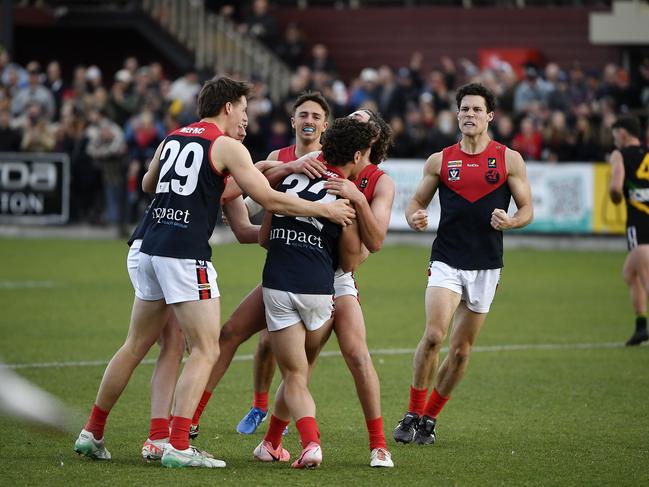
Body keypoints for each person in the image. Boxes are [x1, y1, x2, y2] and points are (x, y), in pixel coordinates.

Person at [73, 76, 355, 469]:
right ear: (227, 107)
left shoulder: (173, 137)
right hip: (185, 255)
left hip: (149, 247)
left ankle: (93, 432)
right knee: (207, 349)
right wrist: (326, 210)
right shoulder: (226, 145)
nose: (246, 117)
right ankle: (177, 444)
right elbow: (270, 198)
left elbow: (150, 183)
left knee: (137, 344)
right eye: (243, 109)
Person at [190, 106, 396, 468]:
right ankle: (203, 424)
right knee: (236, 335)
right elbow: (252, 206)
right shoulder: (305, 159)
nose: (347, 123)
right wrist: (284, 190)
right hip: (301, 269)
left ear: (372, 138)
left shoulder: (378, 180)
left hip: (333, 277)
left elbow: (363, 251)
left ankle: (377, 445)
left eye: (359, 122)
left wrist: (355, 200)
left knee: (355, 357)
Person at [393, 83, 533, 445]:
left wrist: (512, 221)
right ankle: (412, 411)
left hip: (487, 265)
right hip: (447, 260)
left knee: (460, 351)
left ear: (490, 116)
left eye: (476, 109)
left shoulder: (508, 159)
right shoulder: (440, 160)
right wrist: (415, 217)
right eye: (464, 109)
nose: (469, 115)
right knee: (435, 336)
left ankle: (430, 420)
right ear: (457, 115)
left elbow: (527, 209)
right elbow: (414, 204)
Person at [253, 116, 372, 469]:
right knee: (301, 370)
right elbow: (349, 260)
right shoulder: (344, 193)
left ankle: (310, 445)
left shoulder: (289, 175)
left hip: (277, 284)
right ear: (355, 155)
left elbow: (263, 237)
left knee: (293, 374)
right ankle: (275, 445)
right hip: (320, 292)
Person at [234, 91, 330, 436]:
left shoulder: (332, 160)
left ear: (325, 125)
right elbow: (251, 204)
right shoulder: (278, 157)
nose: (309, 121)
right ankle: (260, 405)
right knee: (263, 343)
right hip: (280, 267)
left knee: (306, 351)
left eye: (316, 117)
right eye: (303, 115)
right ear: (293, 121)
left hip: (318, 272)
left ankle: (285, 412)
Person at [608, 116, 649, 346]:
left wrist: (615, 197)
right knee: (630, 274)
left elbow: (616, 186)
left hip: (640, 223)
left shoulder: (619, 155)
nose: (614, 141)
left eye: (615, 135)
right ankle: (641, 326)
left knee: (645, 276)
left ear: (623, 133)